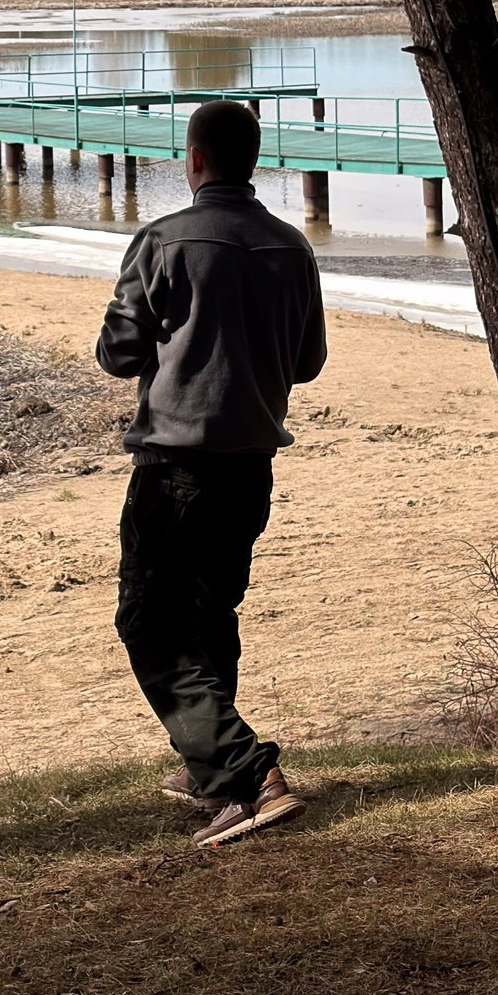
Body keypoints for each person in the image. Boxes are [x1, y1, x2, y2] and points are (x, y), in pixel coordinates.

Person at [94, 93, 327, 845]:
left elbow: (117, 353)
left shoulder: (163, 241)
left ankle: (246, 774)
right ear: (252, 160)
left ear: (193, 160)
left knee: (148, 623)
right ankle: (207, 769)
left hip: (174, 466)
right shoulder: (292, 247)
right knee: (207, 615)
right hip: (252, 463)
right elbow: (310, 361)